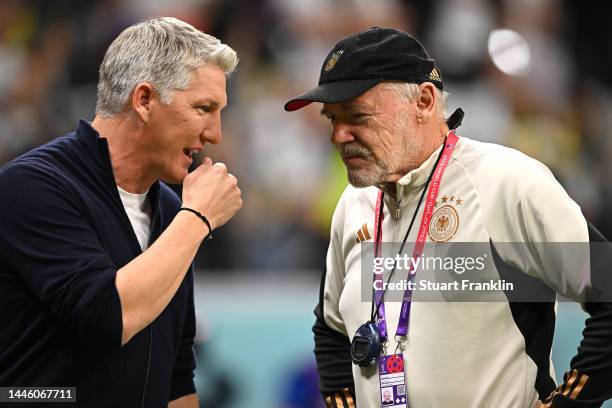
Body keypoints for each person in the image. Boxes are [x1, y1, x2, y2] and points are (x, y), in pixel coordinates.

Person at [284, 27, 612, 408]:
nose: (339, 135)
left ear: (423, 101)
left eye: (357, 116)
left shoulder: (505, 181)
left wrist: (569, 404)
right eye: (332, 118)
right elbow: (332, 329)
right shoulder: (354, 202)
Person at [0, 17, 242, 407]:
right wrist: (197, 220)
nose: (215, 133)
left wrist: (188, 218)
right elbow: (108, 318)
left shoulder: (169, 208)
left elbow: (177, 376)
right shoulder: (31, 187)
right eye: (203, 108)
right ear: (144, 100)